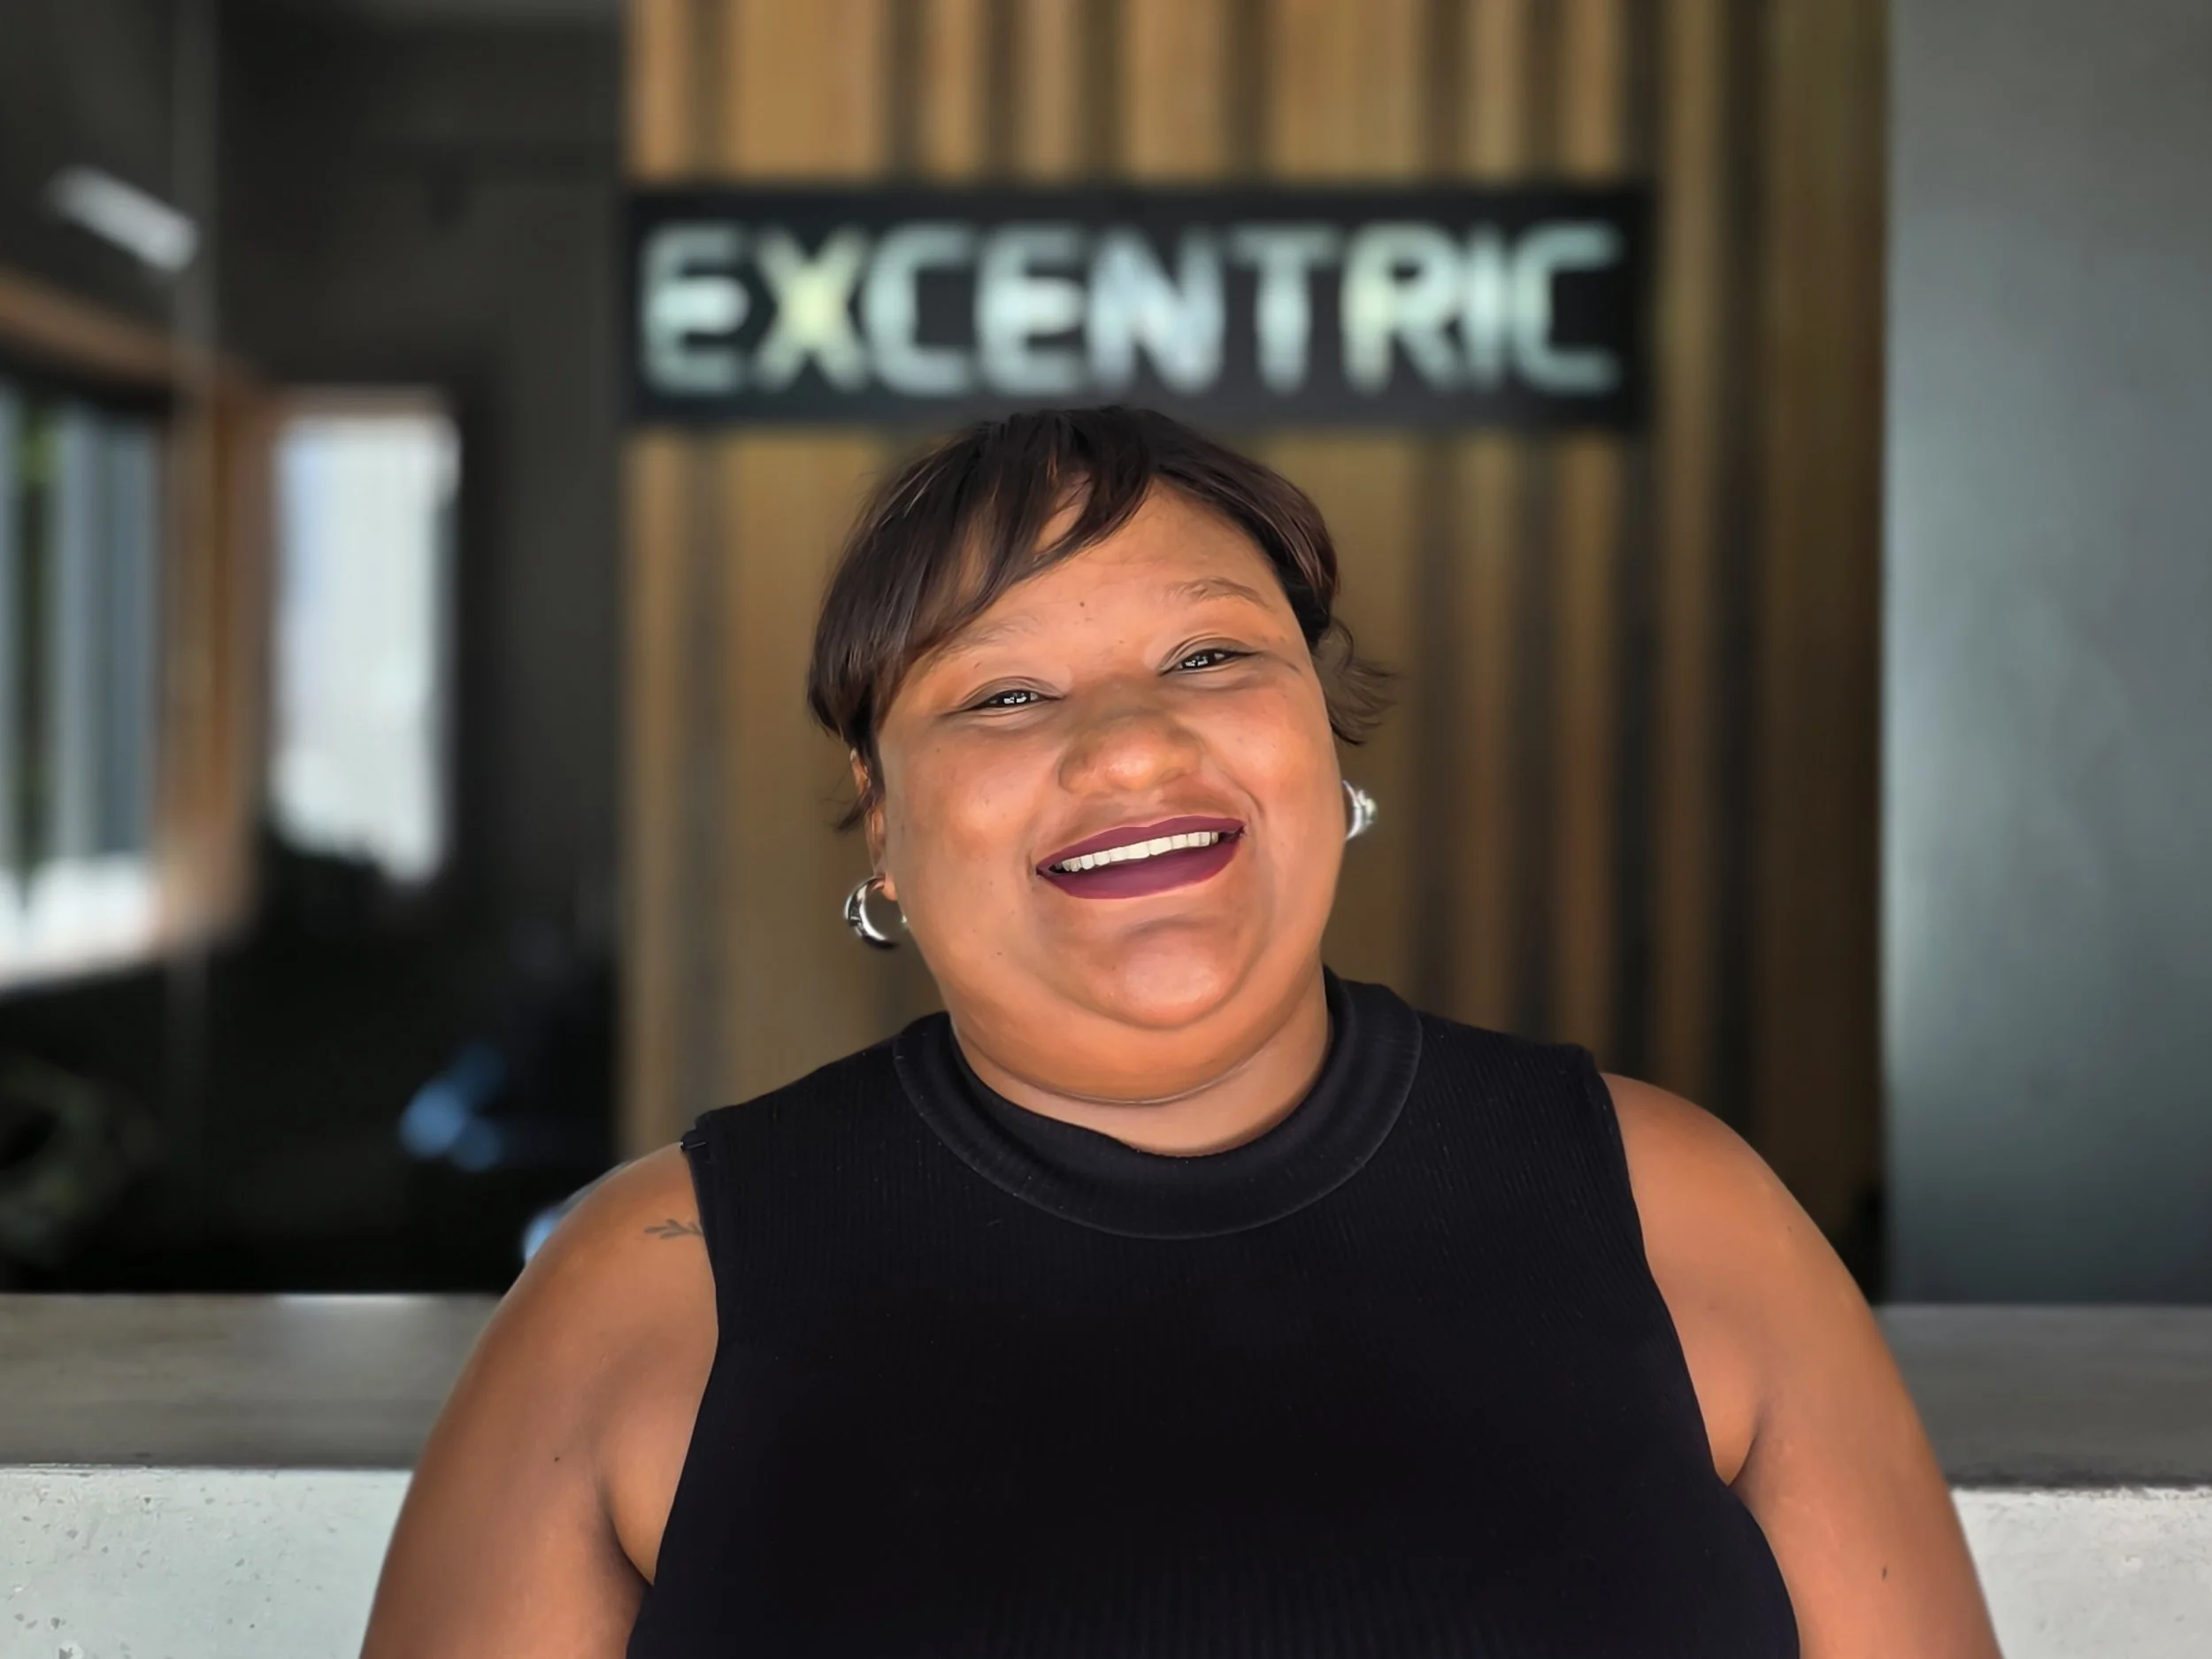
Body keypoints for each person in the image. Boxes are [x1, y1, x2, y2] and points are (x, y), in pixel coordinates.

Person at [362, 407, 2000, 1657]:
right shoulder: (645, 1280)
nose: (1134, 743)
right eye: (1005, 694)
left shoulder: (1680, 1206)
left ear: (1321, 736)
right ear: (882, 821)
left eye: (1212, 654)